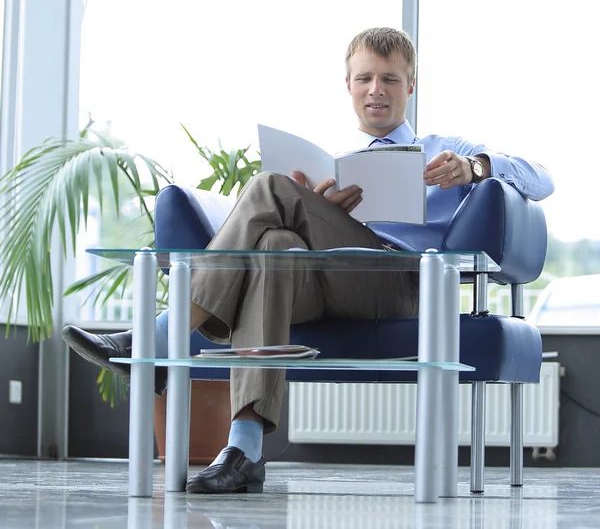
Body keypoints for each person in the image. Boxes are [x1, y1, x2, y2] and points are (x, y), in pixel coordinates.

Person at [62, 27, 554, 494]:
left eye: (389, 79)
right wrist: (318, 210)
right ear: (348, 85)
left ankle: (164, 334)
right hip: (325, 279)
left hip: (399, 282)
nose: (375, 90)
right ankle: (244, 447)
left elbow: (542, 178)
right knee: (276, 241)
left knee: (268, 188)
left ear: (411, 85)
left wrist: (476, 167)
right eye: (364, 78)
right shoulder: (335, 159)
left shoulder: (445, 149)